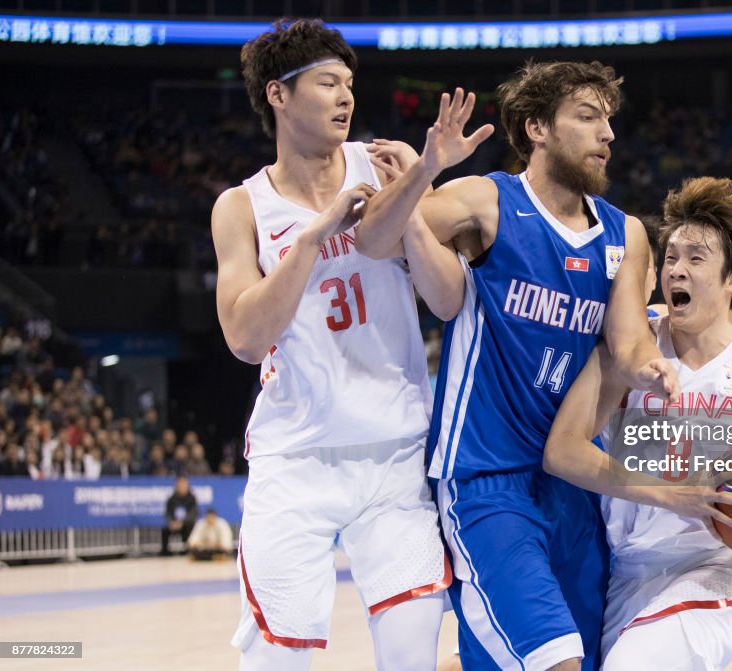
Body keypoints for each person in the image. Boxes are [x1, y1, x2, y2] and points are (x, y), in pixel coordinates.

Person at [359, 61, 679, 671]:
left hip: (573, 482)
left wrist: (649, 371)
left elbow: (631, 342)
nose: (607, 134)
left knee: (569, 659)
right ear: (536, 128)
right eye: (587, 118)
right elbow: (374, 241)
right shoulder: (487, 201)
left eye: (609, 120)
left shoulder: (626, 234)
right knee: (554, 659)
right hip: (486, 478)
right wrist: (424, 172)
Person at [212, 18, 460, 671]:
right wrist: (314, 239)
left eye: (349, 83)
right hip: (296, 458)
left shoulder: (387, 167)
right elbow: (243, 337)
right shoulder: (242, 207)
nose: (345, 97)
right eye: (327, 83)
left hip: (395, 454)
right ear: (278, 95)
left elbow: (444, 299)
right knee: (276, 660)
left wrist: (422, 180)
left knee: (411, 657)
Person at [544, 177, 732, 670]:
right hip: (628, 566)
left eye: (696, 259)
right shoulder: (631, 348)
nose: (677, 269)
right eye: (671, 257)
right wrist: (672, 494)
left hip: (721, 564)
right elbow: (563, 453)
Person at [161, 474, 198, 556]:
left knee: (190, 526)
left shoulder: (192, 498)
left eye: (183, 484)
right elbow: (168, 513)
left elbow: (193, 513)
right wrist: (171, 522)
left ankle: (188, 550)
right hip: (174, 523)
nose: (181, 486)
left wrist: (182, 522)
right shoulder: (171, 499)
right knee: (164, 529)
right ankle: (165, 551)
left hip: (186, 524)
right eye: (179, 484)